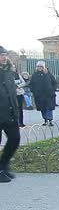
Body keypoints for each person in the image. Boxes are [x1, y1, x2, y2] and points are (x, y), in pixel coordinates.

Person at [0, 45, 21, 182]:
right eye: (1, 55)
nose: (4, 57)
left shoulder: (9, 71)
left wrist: (16, 110)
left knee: (15, 138)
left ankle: (4, 165)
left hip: (10, 112)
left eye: (5, 54)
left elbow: (12, 93)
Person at [30, 60, 57, 126]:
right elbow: (31, 84)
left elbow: (54, 83)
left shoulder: (48, 74)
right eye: (38, 66)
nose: (39, 68)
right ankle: (45, 120)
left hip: (48, 94)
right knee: (43, 108)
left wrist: (53, 90)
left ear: (44, 67)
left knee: (49, 108)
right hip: (39, 95)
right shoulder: (35, 75)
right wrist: (33, 91)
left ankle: (50, 120)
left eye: (41, 66)